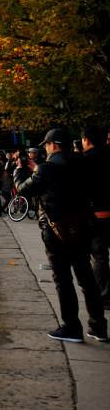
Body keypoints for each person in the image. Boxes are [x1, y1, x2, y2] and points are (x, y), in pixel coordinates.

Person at [16, 128, 108, 343]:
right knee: (86, 277)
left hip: (57, 230)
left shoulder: (47, 169)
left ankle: (71, 326)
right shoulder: (84, 163)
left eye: (46, 145)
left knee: (63, 279)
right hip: (82, 227)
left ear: (53, 145)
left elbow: (23, 190)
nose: (45, 149)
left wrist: (20, 171)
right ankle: (98, 326)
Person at [80, 125, 110, 304]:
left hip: (96, 212)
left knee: (99, 255)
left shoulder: (86, 160)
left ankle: (103, 294)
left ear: (87, 140)